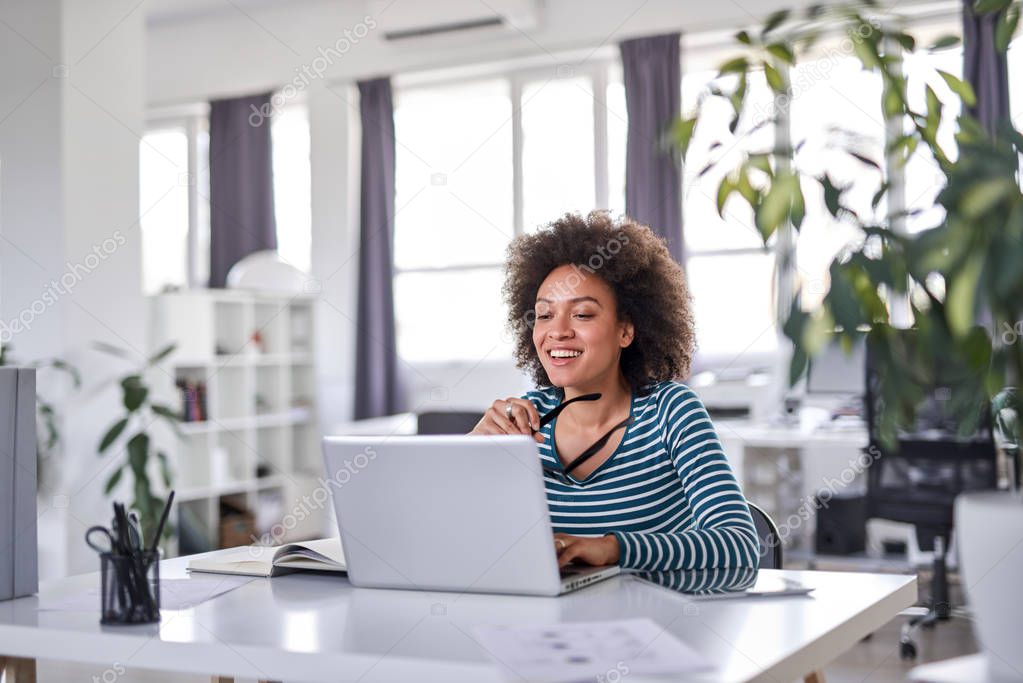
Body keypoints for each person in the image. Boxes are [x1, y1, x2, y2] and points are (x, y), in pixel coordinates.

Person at [471, 211, 760, 572]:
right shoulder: (520, 423)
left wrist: (612, 549)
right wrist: (469, 456)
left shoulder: (670, 411)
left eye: (583, 315)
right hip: (548, 624)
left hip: (660, 623)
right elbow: (454, 542)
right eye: (544, 315)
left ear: (626, 331)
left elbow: (739, 545)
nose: (557, 331)